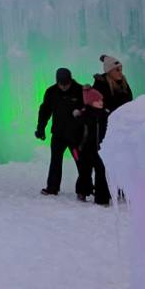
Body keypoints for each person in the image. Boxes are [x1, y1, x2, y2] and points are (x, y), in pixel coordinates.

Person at [35, 67, 86, 199]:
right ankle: (52, 188)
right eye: (61, 84)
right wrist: (41, 128)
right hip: (58, 134)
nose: (64, 87)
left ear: (71, 80)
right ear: (57, 82)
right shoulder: (51, 92)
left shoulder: (80, 90)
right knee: (55, 161)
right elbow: (45, 111)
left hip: (75, 136)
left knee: (81, 162)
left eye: (66, 84)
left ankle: (83, 190)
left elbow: (88, 111)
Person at [92, 54, 134, 202]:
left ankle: (121, 190)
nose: (120, 72)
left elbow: (129, 101)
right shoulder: (100, 84)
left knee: (122, 159)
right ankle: (102, 195)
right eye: (117, 70)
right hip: (106, 127)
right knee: (103, 160)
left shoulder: (123, 83)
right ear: (109, 71)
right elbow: (94, 106)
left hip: (122, 127)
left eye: (121, 69)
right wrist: (105, 113)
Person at [74, 86, 111, 206]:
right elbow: (76, 134)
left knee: (101, 170)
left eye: (101, 100)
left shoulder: (104, 115)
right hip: (85, 149)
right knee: (85, 171)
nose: (101, 102)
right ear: (90, 102)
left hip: (99, 149)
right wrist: (77, 148)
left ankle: (102, 198)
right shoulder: (84, 117)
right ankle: (82, 192)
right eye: (97, 100)